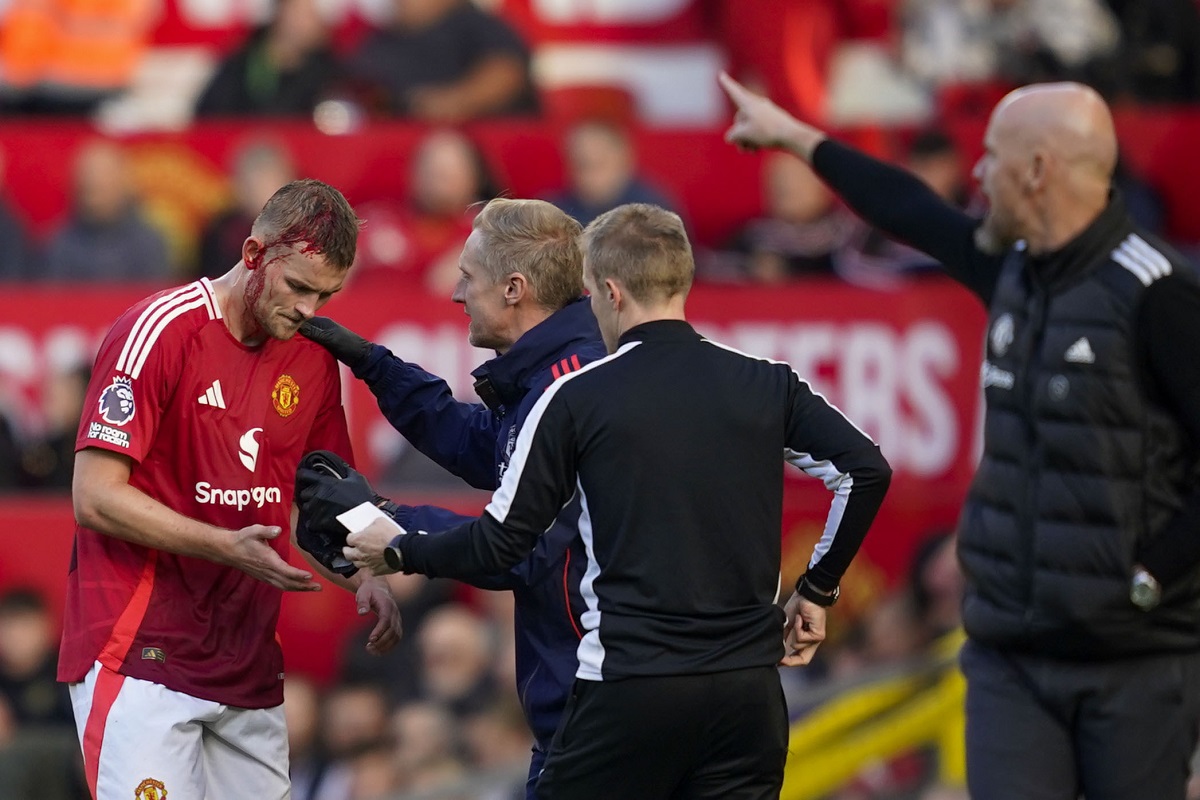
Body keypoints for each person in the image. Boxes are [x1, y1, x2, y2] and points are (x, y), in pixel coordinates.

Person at [720, 73, 1200, 800]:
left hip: (1132, 661)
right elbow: (908, 208)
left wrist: (1149, 579)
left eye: (992, 157)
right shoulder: (1008, 268)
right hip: (1007, 650)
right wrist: (797, 138)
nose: (976, 174)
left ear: (1038, 170)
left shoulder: (1159, 291)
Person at [331, 202, 893, 798]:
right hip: (748, 696)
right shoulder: (768, 381)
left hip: (631, 688)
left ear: (610, 291)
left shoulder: (575, 398)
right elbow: (866, 471)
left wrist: (400, 547)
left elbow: (503, 542)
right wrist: (818, 588)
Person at [59, 178, 402, 800]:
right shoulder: (158, 330)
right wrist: (224, 546)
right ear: (252, 255)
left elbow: (311, 504)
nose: (309, 309)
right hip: (140, 655)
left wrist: (365, 577)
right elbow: (95, 496)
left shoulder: (313, 360)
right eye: (298, 287)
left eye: (326, 295)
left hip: (246, 666)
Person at [298, 196, 606, 797]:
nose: (456, 293)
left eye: (469, 277)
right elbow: (486, 445)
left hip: (593, 708)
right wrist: (376, 366)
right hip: (586, 704)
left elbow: (521, 543)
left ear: (514, 288)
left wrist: (386, 521)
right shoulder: (554, 378)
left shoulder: (568, 391)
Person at [342, 0, 538, 122]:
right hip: (390, 155)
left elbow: (507, 73)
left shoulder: (476, 24)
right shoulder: (378, 41)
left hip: (474, 157)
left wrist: (456, 102)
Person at [43, 139, 170, 283]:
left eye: (103, 178)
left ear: (124, 181)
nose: (93, 185)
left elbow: (155, 297)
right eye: (88, 177)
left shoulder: (149, 244)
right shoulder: (59, 245)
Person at [193, 0, 338, 118]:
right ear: (280, 13)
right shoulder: (242, 64)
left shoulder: (328, 73)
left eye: (313, 14)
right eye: (301, 13)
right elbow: (209, 117)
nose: (308, 23)